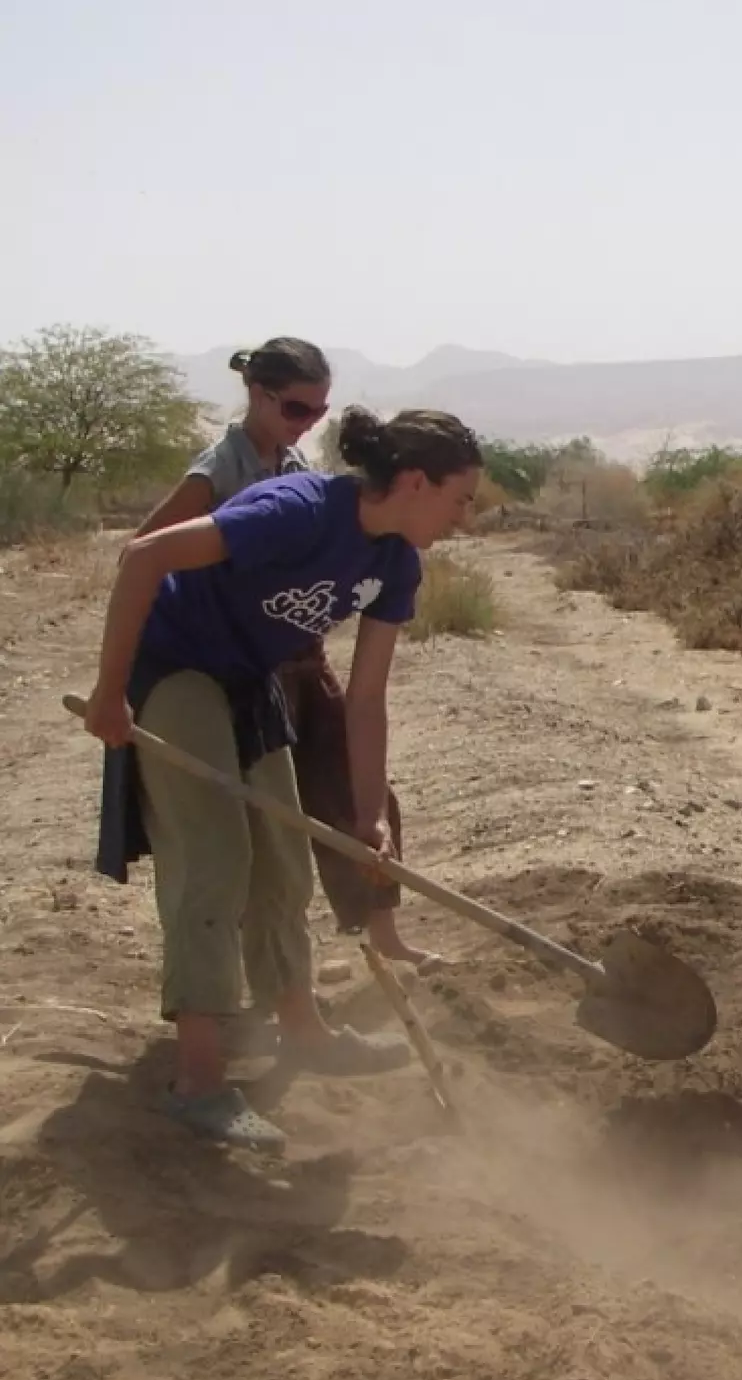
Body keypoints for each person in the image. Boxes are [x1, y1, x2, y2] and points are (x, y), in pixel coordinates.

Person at [86, 405, 486, 1152]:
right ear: (413, 480)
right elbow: (142, 558)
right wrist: (112, 693)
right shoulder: (296, 512)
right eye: (460, 498)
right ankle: (199, 1080)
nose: (465, 516)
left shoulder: (396, 562)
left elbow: (366, 700)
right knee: (214, 857)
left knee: (283, 858)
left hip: (249, 676)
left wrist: (367, 821)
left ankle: (303, 1029)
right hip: (175, 663)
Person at [135, 337, 442, 980]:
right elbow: (148, 551)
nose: (307, 423)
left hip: (298, 654)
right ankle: (246, 989)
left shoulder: (295, 462)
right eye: (297, 408)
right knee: (245, 834)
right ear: (258, 394)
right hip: (227, 665)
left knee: (364, 795)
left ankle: (382, 931)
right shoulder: (218, 470)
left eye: (318, 412)